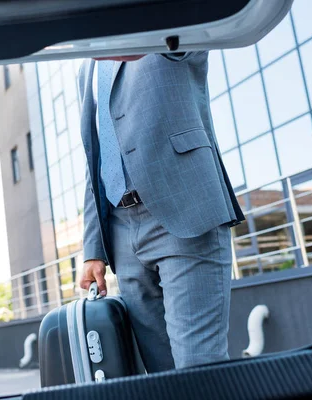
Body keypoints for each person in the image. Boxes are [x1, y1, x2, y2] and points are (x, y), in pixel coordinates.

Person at [78, 51, 245, 373]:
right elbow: (94, 161)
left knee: (198, 364)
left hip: (184, 211)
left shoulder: (166, 32)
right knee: (159, 372)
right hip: (121, 230)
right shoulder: (87, 68)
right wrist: (93, 251)